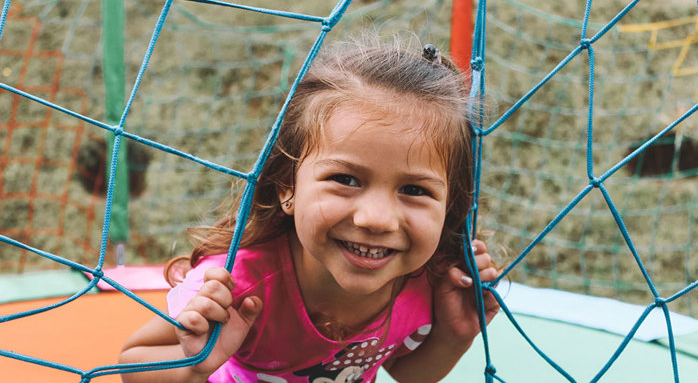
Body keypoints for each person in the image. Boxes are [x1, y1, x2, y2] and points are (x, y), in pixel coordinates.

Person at [118, 39, 500, 383]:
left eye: (414, 190)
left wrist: (453, 335)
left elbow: (406, 374)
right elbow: (132, 363)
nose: (377, 219)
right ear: (288, 185)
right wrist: (194, 363)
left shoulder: (427, 281)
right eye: (346, 179)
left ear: (450, 207)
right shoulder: (235, 286)